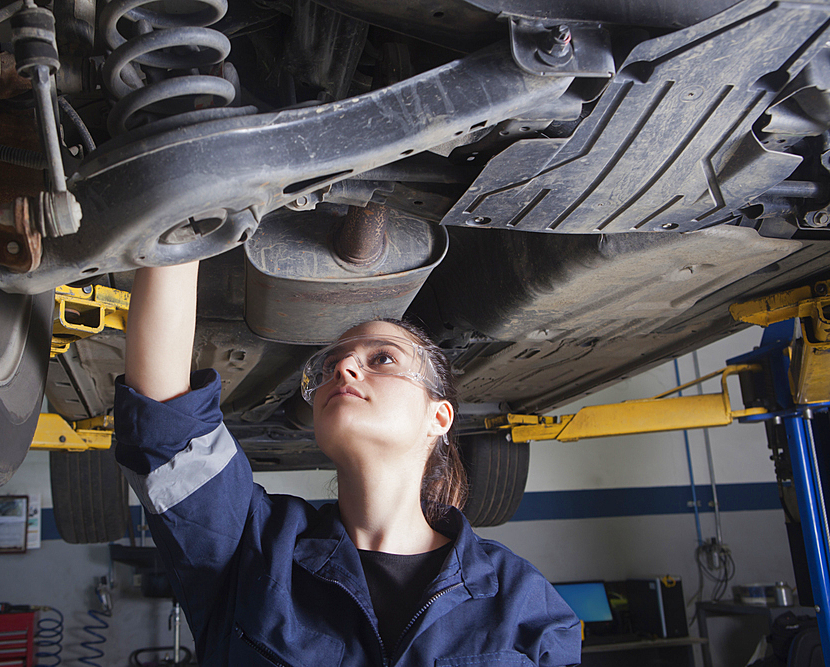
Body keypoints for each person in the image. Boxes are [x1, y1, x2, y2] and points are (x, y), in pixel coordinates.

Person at [115, 260, 582, 666]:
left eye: (382, 357)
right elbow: (166, 420)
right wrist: (188, 224)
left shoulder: (520, 597)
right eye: (330, 365)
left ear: (438, 416)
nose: (343, 368)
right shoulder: (252, 548)